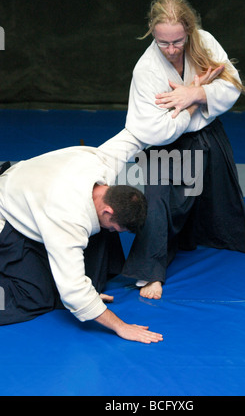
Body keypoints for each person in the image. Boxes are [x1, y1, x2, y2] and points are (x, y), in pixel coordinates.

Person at [99, 0, 245, 300]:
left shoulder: (204, 41)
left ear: (188, 31)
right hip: (167, 145)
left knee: (222, 185)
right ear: (153, 33)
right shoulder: (147, 69)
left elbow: (232, 85)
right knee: (160, 200)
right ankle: (151, 272)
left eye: (177, 41)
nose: (171, 49)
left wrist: (196, 94)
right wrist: (193, 98)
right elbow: (155, 129)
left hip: (206, 131)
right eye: (163, 42)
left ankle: (238, 236)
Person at [0, 147, 163, 344]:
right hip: (6, 214)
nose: (112, 231)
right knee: (35, 296)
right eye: (114, 227)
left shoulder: (102, 162)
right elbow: (74, 292)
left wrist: (186, 115)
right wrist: (121, 326)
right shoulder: (68, 221)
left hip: (23, 190)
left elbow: (138, 132)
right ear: (109, 211)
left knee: (102, 235)